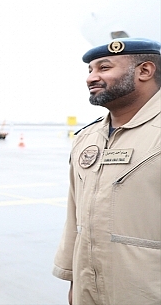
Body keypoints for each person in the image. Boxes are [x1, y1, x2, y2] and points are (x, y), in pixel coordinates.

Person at [53, 38, 161, 305]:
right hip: (89, 290)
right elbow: (74, 216)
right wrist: (73, 279)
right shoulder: (86, 138)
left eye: (103, 68)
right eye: (90, 70)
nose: (92, 78)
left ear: (144, 71)